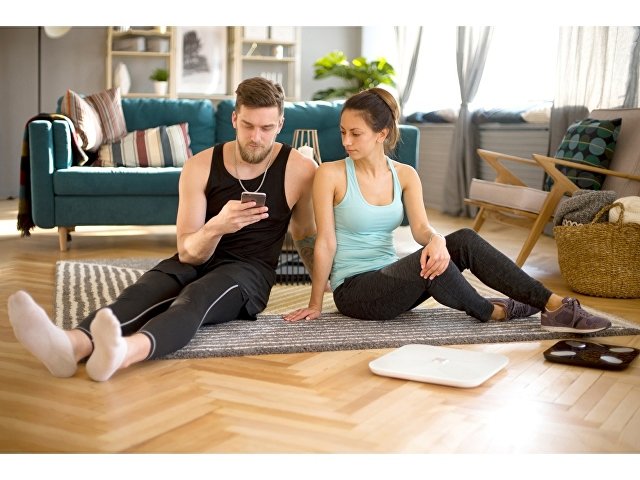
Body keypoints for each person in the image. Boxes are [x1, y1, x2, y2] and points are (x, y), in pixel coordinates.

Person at [8, 77, 318, 382]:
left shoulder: (300, 170)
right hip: (198, 256)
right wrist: (217, 226)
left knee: (195, 297)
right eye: (248, 125)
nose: (256, 137)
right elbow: (188, 253)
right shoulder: (199, 166)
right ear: (235, 119)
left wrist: (319, 290)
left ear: (280, 124)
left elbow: (305, 232)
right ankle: (71, 345)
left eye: (266, 128)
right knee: (146, 290)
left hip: (248, 272)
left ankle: (124, 352)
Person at [283, 87, 611, 335]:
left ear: (382, 133)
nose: (346, 141)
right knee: (432, 265)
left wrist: (437, 240)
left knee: (461, 241)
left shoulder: (405, 175)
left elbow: (421, 230)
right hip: (354, 291)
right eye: (343, 132)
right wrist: (316, 303)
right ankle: (492, 311)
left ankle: (554, 305)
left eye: (356, 133)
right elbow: (325, 242)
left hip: (393, 279)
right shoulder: (331, 174)